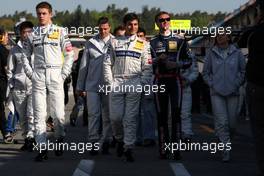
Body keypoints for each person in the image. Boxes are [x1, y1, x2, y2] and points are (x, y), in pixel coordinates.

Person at [21, 2, 74, 161]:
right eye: (39, 13)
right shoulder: (32, 34)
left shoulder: (60, 31)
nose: (41, 16)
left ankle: (59, 137)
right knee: (39, 115)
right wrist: (31, 73)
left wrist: (63, 74)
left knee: (58, 115)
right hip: (38, 75)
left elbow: (70, 54)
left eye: (44, 13)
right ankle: (42, 149)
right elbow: (24, 55)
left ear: (50, 14)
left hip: (55, 74)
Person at [104, 13, 152, 162]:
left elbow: (148, 66)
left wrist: (142, 83)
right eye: (130, 24)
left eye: (135, 24)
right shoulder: (114, 42)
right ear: (125, 25)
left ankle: (129, 147)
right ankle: (119, 139)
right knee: (115, 118)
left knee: (130, 118)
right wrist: (110, 82)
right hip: (117, 82)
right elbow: (107, 64)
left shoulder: (144, 44)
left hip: (134, 82)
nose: (133, 27)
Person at [150, 11, 192, 160]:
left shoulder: (180, 41)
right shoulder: (152, 42)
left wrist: (176, 64)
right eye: (161, 20)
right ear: (157, 23)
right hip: (159, 80)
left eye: (167, 19)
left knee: (176, 114)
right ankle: (163, 148)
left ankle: (176, 148)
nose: (165, 22)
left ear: (170, 21)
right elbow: (145, 63)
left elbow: (189, 61)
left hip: (175, 80)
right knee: (161, 116)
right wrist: (156, 61)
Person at [202, 33, 246, 162]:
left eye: (223, 35)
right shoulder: (211, 53)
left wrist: (236, 84)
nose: (220, 37)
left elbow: (243, 71)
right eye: (218, 36)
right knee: (222, 122)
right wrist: (212, 85)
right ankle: (225, 149)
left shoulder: (237, 53)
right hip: (217, 93)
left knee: (232, 124)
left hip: (233, 93)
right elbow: (205, 73)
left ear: (228, 37)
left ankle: (226, 140)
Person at [76, 16, 114, 155]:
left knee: (108, 115)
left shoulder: (115, 42)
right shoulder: (90, 42)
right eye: (100, 28)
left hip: (109, 84)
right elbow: (83, 66)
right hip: (92, 84)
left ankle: (106, 140)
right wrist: (80, 86)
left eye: (105, 28)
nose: (103, 31)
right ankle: (93, 141)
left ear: (109, 28)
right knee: (93, 114)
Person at [6, 21, 35, 151]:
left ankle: (31, 138)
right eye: (24, 32)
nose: (27, 35)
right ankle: (27, 139)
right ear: (20, 34)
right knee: (22, 118)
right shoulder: (14, 50)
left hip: (33, 87)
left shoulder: (37, 48)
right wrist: (12, 85)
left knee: (31, 114)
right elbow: (9, 70)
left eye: (30, 32)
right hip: (18, 88)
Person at [246, 0, 264, 174]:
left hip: (257, 86)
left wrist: (256, 23)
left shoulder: (255, 33)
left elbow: (241, 40)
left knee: (259, 131)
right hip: (257, 86)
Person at [136, 27, 156, 147]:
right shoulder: (132, 47)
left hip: (148, 83)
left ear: (145, 37)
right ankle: (137, 137)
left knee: (148, 111)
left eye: (141, 36)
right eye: (137, 36)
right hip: (134, 84)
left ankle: (149, 137)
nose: (139, 38)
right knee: (135, 113)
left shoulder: (149, 48)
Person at [181, 52, 198, 141]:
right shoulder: (167, 52)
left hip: (185, 88)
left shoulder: (190, 55)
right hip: (171, 87)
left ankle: (186, 134)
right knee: (170, 114)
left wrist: (187, 80)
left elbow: (195, 72)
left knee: (185, 113)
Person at [70, 49, 88, 127]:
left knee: (79, 104)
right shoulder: (86, 64)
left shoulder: (75, 64)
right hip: (84, 86)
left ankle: (74, 118)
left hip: (77, 86)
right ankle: (85, 120)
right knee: (85, 104)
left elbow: (73, 76)